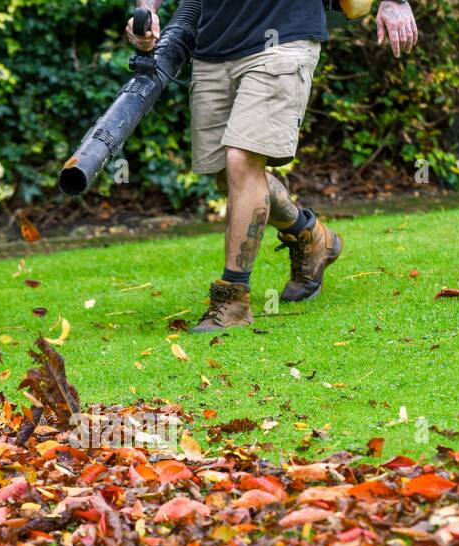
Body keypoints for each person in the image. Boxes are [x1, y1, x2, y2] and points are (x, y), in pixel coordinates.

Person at [126, 0, 419, 332]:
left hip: (283, 37)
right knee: (228, 176)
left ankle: (233, 298)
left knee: (241, 160)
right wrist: (148, 10)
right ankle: (310, 236)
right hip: (213, 47)